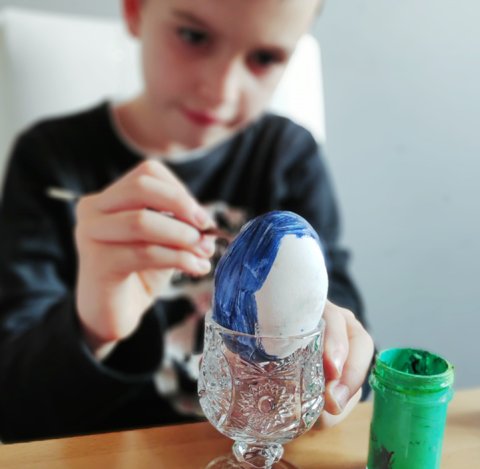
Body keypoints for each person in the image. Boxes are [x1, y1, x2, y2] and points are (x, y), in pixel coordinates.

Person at [0, 0, 374, 443]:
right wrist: (92, 326)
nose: (220, 90)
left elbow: (349, 349)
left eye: (265, 58)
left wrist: (334, 365)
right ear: (136, 10)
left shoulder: (288, 157)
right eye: (194, 37)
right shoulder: (51, 161)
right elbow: (15, 410)